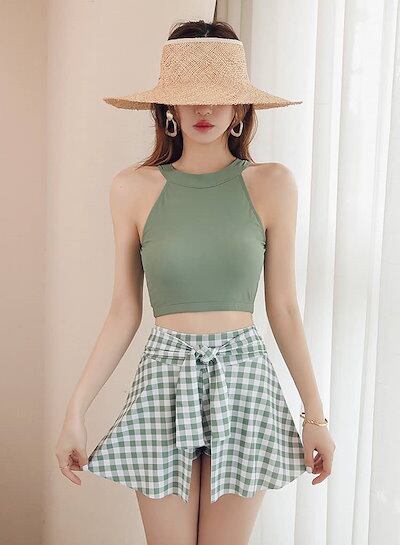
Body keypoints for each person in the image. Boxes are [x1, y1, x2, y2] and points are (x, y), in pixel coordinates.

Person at [55, 19, 335, 545]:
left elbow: (284, 308)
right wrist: (76, 410)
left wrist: (315, 417)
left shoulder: (272, 184)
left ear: (240, 108)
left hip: (245, 379)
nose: (203, 108)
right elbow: (123, 310)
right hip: (163, 377)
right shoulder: (132, 188)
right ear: (168, 107)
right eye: (188, 95)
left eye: (219, 94)